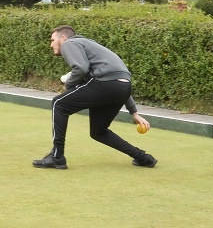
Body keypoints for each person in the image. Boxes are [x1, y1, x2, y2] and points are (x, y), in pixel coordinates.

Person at [33, 25, 157, 169]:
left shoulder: (69, 43)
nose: (51, 44)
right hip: (123, 87)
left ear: (63, 38)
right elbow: (118, 79)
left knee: (58, 104)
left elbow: (80, 68)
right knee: (98, 132)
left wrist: (67, 87)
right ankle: (143, 158)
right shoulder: (91, 46)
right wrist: (134, 112)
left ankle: (57, 157)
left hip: (105, 84)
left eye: (52, 40)